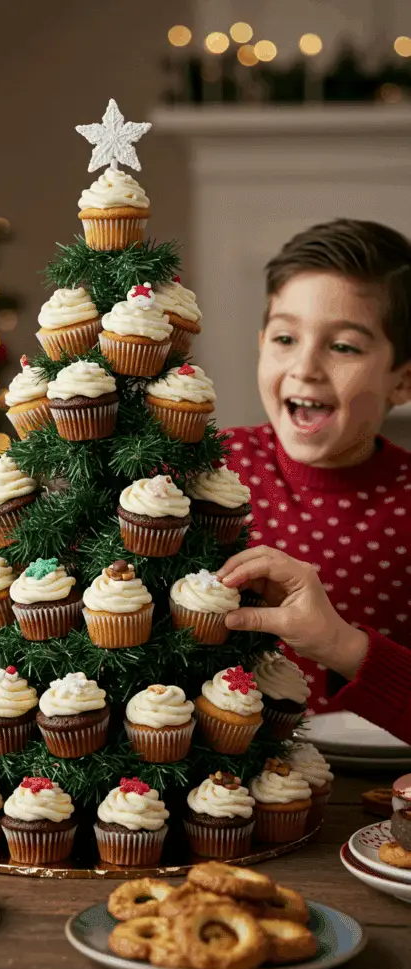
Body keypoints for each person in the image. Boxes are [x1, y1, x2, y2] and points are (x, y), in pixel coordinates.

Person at [216, 219, 411, 739]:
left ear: (404, 379)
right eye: (285, 338)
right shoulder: (205, 468)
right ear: (262, 344)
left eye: (343, 347)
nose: (305, 367)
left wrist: (339, 644)